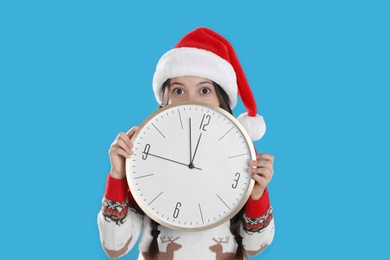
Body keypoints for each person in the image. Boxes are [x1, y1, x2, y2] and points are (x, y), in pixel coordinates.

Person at [97, 27, 275, 260]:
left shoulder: (241, 155)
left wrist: (257, 194)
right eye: (179, 90)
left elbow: (255, 246)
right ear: (165, 100)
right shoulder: (142, 151)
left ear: (221, 100)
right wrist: (118, 175)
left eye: (204, 90)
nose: (191, 102)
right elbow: (115, 247)